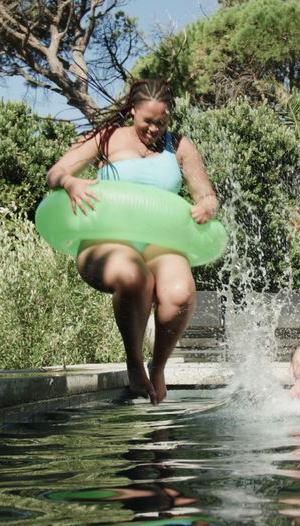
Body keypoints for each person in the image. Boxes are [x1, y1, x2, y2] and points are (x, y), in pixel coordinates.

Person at [46, 79, 219, 405]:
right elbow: (55, 172)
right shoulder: (107, 138)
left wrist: (208, 204)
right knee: (134, 276)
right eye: (147, 121)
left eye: (161, 122)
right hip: (107, 239)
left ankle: (159, 366)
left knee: (180, 294)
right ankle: (134, 361)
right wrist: (69, 183)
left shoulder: (179, 146)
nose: (154, 129)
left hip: (159, 242)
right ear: (132, 111)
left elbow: (206, 194)